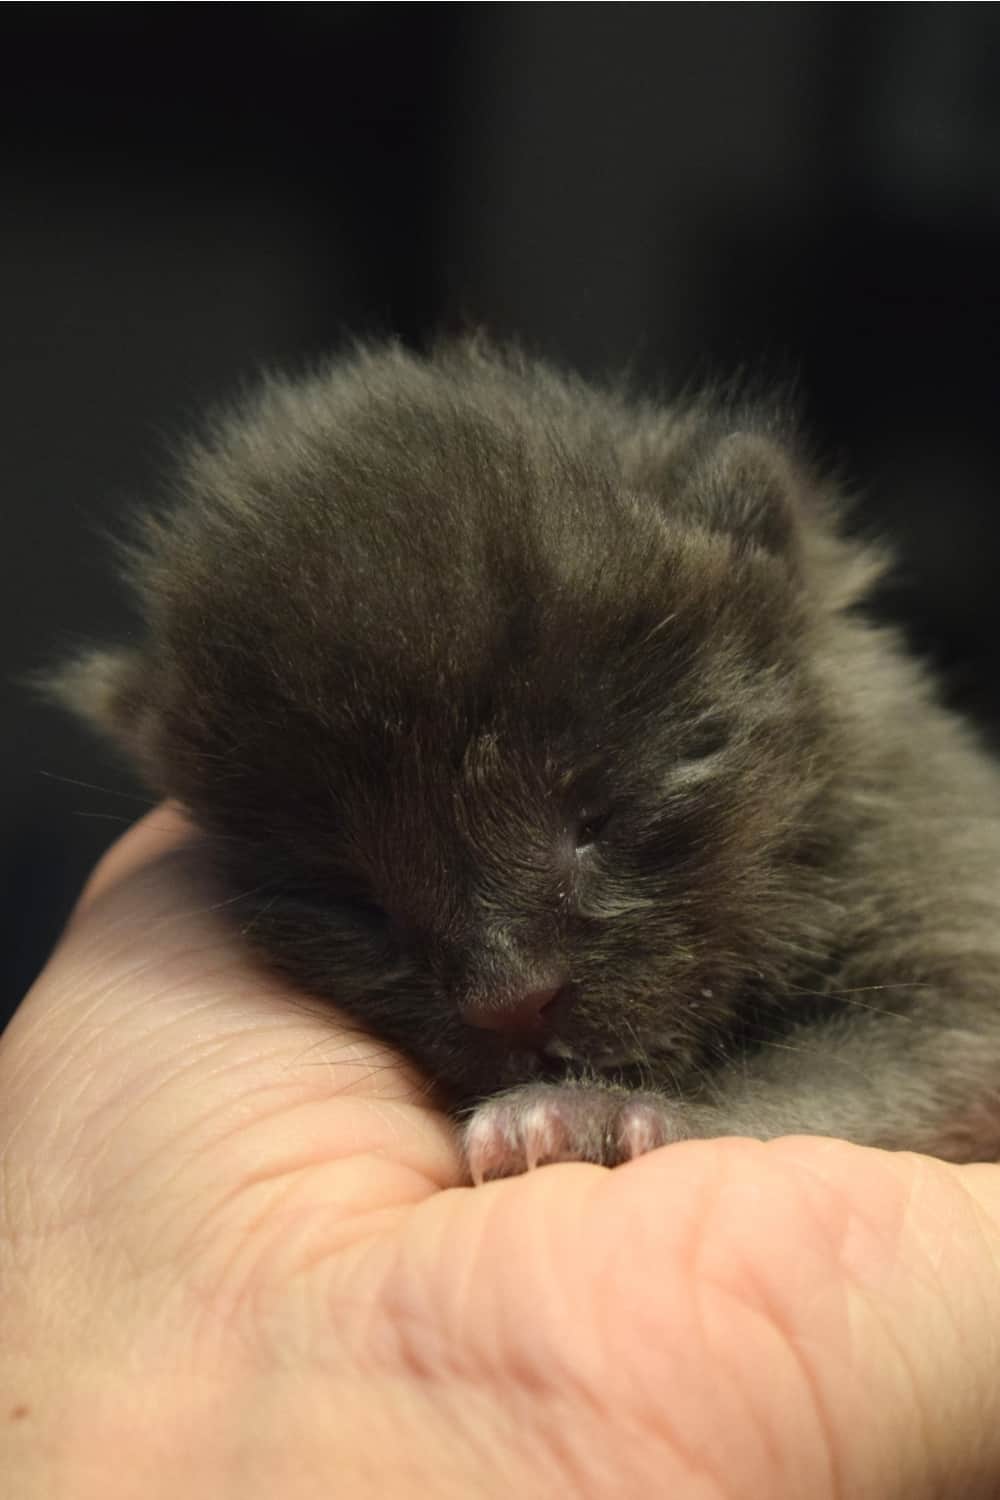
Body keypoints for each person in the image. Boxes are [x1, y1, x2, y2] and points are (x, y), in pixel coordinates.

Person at [3, 807, 1000, 1499]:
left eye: (590, 830)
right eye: (362, 904)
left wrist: (697, 1127)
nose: (499, 981)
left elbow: (955, 1035)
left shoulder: (894, 833)